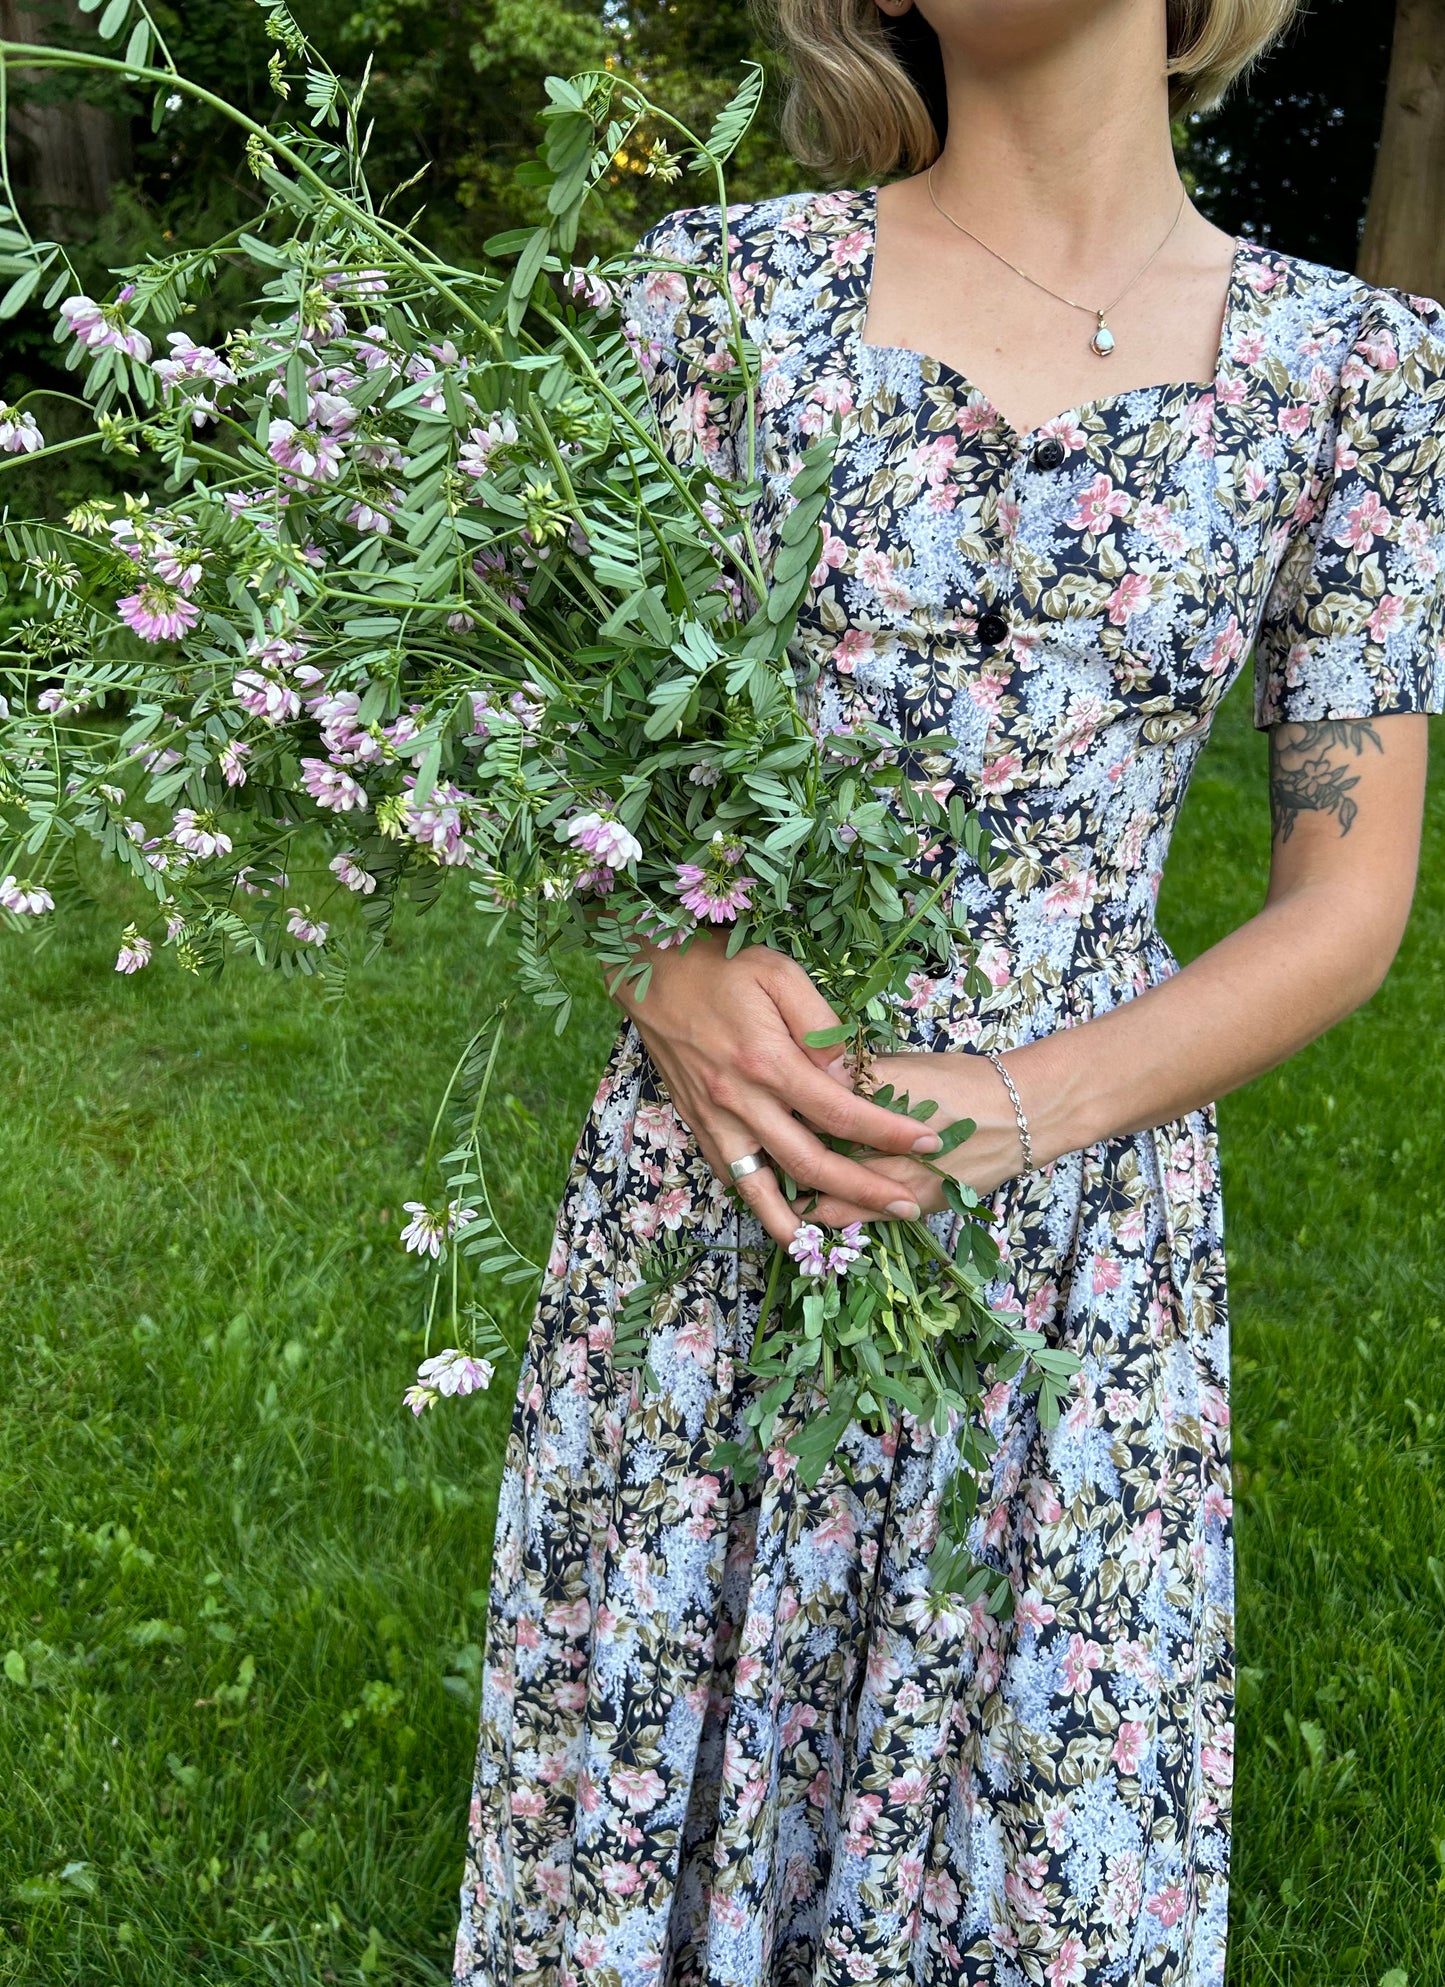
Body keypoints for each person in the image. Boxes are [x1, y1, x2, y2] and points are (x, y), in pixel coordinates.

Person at [454, 1, 1443, 1980]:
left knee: (1028, 1841)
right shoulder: (711, 298)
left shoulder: (1362, 380)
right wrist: (662, 965)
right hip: (730, 1202)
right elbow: (504, 709)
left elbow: (1345, 905)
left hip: (1080, 1245)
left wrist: (1017, 1107)